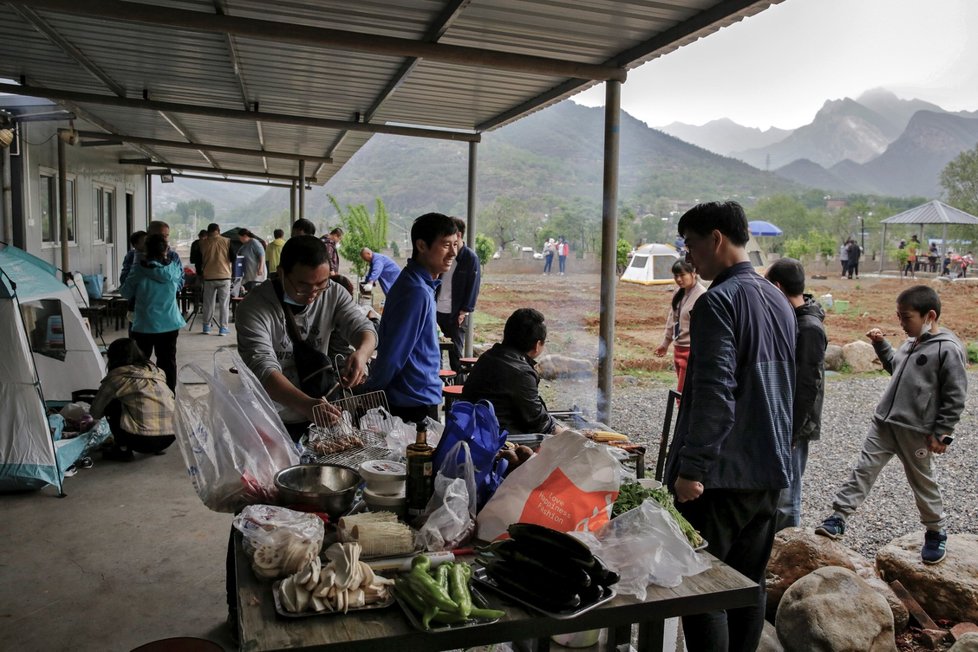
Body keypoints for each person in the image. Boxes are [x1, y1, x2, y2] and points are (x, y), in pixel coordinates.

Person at [663, 200, 796, 652]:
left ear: (716, 239)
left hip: (722, 475)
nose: (691, 256)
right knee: (747, 585)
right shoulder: (777, 297)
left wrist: (692, 468)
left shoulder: (717, 301)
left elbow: (714, 395)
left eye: (692, 244)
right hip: (769, 470)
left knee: (703, 588)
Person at [816, 285, 967, 565]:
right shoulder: (910, 342)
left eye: (906, 317)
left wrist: (943, 431)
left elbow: (956, 394)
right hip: (884, 424)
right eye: (898, 316)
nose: (901, 323)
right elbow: (896, 368)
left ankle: (935, 530)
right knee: (863, 469)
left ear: (929, 316)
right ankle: (838, 517)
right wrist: (881, 345)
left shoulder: (948, 348)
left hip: (916, 432)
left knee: (922, 481)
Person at [236, 236, 377, 442]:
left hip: (320, 413)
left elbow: (363, 328)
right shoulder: (254, 307)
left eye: (321, 284)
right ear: (282, 273)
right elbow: (263, 369)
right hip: (270, 418)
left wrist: (362, 354)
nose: (313, 294)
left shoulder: (334, 294)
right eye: (303, 286)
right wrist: (305, 404)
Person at [363, 213, 457, 424]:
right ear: (422, 245)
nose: (453, 252)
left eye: (455, 244)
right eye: (445, 245)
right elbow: (394, 354)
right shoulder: (416, 291)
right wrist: (371, 390)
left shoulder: (419, 284)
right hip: (412, 403)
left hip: (417, 396)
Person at [765, 258, 827, 531]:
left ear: (778, 287)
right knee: (778, 483)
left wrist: (793, 430)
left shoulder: (809, 328)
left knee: (788, 493)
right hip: (786, 419)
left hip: (795, 423)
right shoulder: (795, 319)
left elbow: (807, 385)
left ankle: (787, 546)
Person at [462, 308, 567, 436]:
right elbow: (537, 421)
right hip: (497, 440)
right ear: (537, 345)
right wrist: (565, 434)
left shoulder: (488, 356)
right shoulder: (521, 373)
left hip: (472, 430)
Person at [119, 233, 187, 391]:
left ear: (146, 250)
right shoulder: (174, 270)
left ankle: (143, 396)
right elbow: (178, 287)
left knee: (140, 364)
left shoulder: (138, 270)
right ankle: (169, 395)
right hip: (170, 323)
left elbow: (125, 293)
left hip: (144, 324)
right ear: (166, 250)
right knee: (168, 362)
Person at [90, 338, 176, 461]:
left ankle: (123, 449)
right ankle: (157, 446)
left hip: (141, 441)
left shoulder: (116, 378)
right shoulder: (157, 372)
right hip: (170, 435)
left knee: (112, 404)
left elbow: (95, 412)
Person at [436, 217, 481, 372]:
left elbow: (473, 286)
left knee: (455, 354)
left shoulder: (470, 258)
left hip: (456, 314)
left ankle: (456, 391)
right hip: (438, 310)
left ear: (459, 235)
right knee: (436, 352)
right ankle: (439, 387)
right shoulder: (444, 254)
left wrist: (464, 311)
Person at [654, 260, 705, 394]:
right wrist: (665, 343)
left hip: (691, 351)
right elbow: (672, 318)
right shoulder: (679, 292)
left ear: (693, 273)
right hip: (678, 348)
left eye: (682, 275)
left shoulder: (702, 295)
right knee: (682, 394)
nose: (678, 279)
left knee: (683, 394)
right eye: (676, 276)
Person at [199, 223, 235, 336]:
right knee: (224, 304)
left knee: (208, 303)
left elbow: (197, 261)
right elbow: (233, 258)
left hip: (209, 277)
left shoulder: (202, 243)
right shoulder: (227, 241)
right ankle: (223, 329)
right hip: (224, 276)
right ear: (218, 230)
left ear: (208, 231)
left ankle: (206, 327)